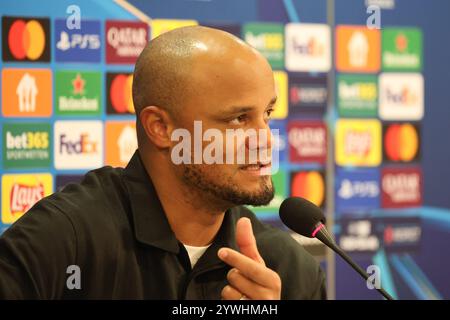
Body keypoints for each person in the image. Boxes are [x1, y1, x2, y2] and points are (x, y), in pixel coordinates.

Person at [0, 26, 326, 299]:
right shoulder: (61, 242)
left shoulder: (290, 271)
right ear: (161, 128)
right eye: (239, 119)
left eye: (266, 114)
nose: (266, 140)